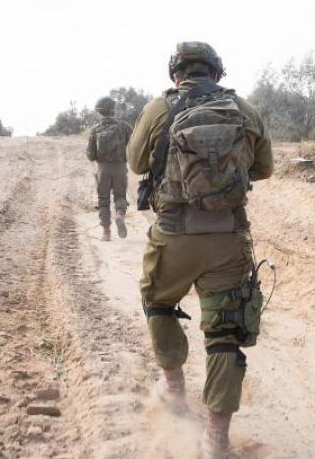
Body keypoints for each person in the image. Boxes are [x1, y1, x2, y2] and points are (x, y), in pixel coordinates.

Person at [127, 41, 273, 458]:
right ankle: (216, 439)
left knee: (158, 301)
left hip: (174, 235)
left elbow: (136, 163)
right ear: (217, 72)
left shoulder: (159, 108)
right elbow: (264, 168)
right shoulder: (243, 108)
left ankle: (173, 387)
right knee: (225, 335)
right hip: (228, 238)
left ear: (175, 74)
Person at [86, 96, 132, 241]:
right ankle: (119, 215)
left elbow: (91, 155)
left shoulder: (95, 129)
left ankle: (106, 233)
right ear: (113, 109)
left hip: (103, 169)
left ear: (99, 111)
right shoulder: (124, 127)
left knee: (103, 200)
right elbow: (133, 146)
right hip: (120, 167)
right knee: (120, 196)